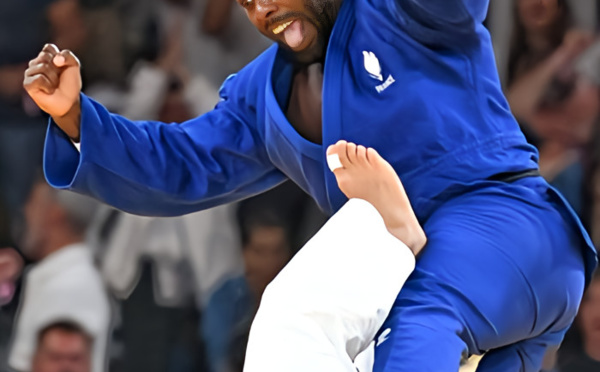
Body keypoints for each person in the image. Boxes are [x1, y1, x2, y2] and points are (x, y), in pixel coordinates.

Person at [23, 0, 597, 370]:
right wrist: (75, 117)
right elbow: (181, 163)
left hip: (508, 228)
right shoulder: (260, 96)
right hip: (451, 294)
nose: (264, 9)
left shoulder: (404, 13)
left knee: (401, 325)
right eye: (248, 2)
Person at [505, 0, 600, 216]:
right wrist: (559, 56)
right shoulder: (521, 59)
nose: (535, 3)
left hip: (573, 159)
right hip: (533, 158)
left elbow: (579, 126)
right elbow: (514, 107)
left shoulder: (585, 51)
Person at [9, 178, 111, 372]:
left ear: (55, 214)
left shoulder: (70, 286)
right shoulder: (61, 278)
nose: (26, 213)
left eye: (33, 203)